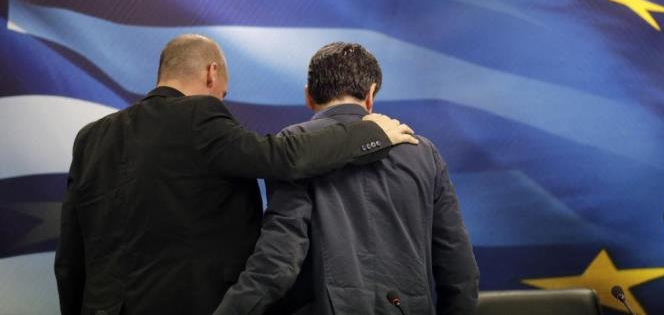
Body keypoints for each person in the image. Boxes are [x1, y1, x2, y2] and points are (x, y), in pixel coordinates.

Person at [54, 34, 417, 315]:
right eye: (223, 93)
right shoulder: (200, 115)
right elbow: (282, 157)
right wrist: (369, 134)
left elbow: (69, 259)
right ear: (211, 73)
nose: (221, 100)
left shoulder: (91, 138)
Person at [216, 42, 479, 315]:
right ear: (371, 93)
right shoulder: (423, 153)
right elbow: (459, 269)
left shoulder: (294, 146)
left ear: (308, 96)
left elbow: (279, 259)